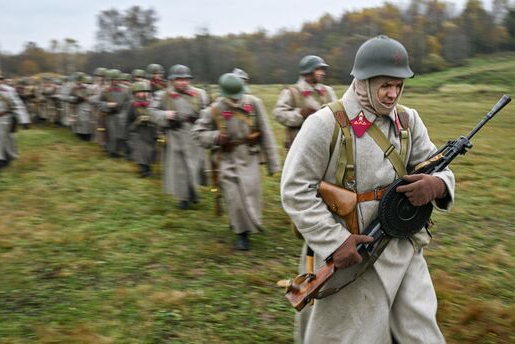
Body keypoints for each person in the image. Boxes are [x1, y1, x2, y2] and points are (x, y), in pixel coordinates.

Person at [280, 35, 455, 343]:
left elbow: (435, 164)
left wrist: (438, 184)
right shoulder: (325, 124)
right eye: (385, 85)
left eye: (398, 85)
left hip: (403, 246)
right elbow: (295, 190)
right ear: (363, 80)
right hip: (353, 254)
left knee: (422, 334)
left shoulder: (408, 120)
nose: (392, 94)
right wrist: (334, 241)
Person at [193, 73, 280, 250]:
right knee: (234, 198)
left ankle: (248, 224)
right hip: (227, 158)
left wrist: (273, 163)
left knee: (251, 194)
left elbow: (267, 133)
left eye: (238, 96)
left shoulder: (254, 103)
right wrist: (215, 136)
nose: (236, 100)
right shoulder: (214, 109)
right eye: (232, 98)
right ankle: (242, 234)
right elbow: (197, 133)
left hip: (250, 156)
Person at [150, 64, 208, 209]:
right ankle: (184, 198)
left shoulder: (200, 94)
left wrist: (204, 121)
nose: (183, 82)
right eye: (179, 79)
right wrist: (164, 114)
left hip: (194, 136)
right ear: (172, 80)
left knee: (194, 167)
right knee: (180, 169)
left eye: (186, 79)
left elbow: (207, 112)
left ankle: (193, 192)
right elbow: (151, 111)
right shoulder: (163, 95)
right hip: (175, 136)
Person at [274, 55, 338, 150]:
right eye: (318, 69)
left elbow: (338, 114)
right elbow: (278, 114)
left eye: (323, 69)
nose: (322, 73)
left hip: (325, 145)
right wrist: (300, 114)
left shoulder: (328, 91)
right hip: (298, 147)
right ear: (307, 72)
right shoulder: (291, 92)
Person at [127, 81, 158, 177]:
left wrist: (151, 119)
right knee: (141, 151)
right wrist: (137, 122)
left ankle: (148, 168)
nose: (142, 94)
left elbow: (157, 116)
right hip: (138, 132)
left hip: (150, 131)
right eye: (139, 92)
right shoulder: (132, 105)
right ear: (135, 93)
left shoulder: (152, 103)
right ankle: (143, 170)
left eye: (145, 92)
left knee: (150, 151)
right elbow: (129, 120)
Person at [97, 69, 131, 157]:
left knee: (121, 135)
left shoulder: (125, 90)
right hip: (110, 115)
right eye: (113, 80)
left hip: (122, 114)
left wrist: (125, 112)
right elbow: (99, 103)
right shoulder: (105, 90)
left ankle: (121, 151)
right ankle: (112, 152)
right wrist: (108, 104)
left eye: (116, 79)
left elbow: (129, 102)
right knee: (112, 135)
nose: (115, 81)